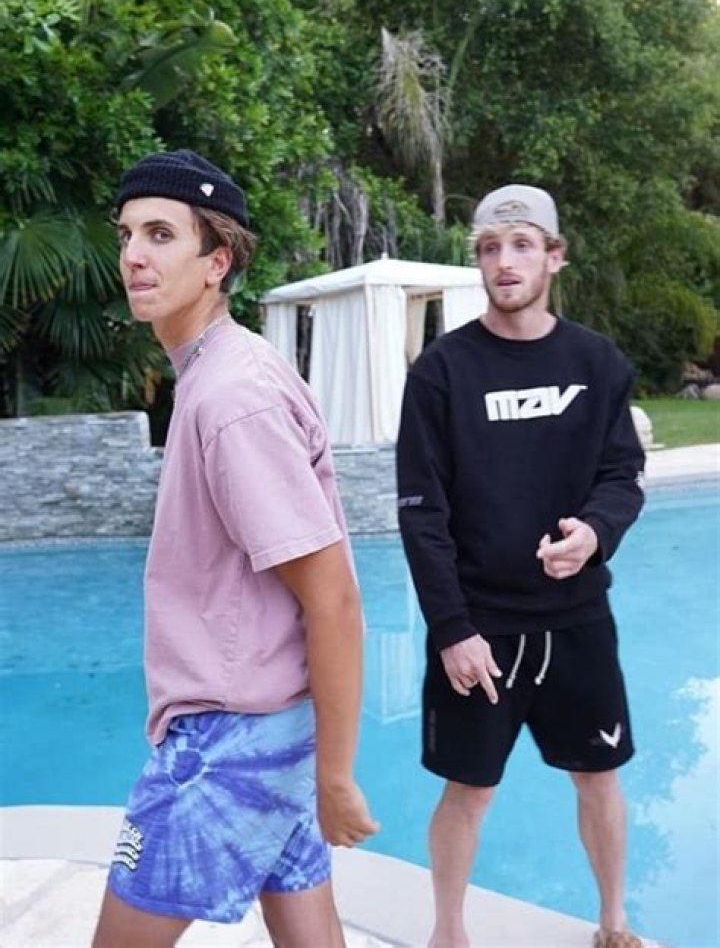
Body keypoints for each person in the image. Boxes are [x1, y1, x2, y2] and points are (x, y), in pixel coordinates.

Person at [92, 149, 378, 948]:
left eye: (161, 234)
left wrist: (337, 775)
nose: (134, 255)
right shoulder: (222, 371)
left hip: (225, 745)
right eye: (126, 234)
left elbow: (332, 596)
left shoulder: (230, 398)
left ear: (217, 260)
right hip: (270, 727)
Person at [396, 184, 645, 948]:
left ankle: (613, 921)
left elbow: (622, 475)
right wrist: (452, 629)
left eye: (523, 245)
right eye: (490, 248)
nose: (505, 261)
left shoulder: (596, 362)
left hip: (577, 620)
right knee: (469, 789)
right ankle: (447, 931)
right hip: (482, 628)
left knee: (598, 776)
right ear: (478, 259)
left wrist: (594, 534)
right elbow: (421, 511)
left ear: (554, 256)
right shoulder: (441, 372)